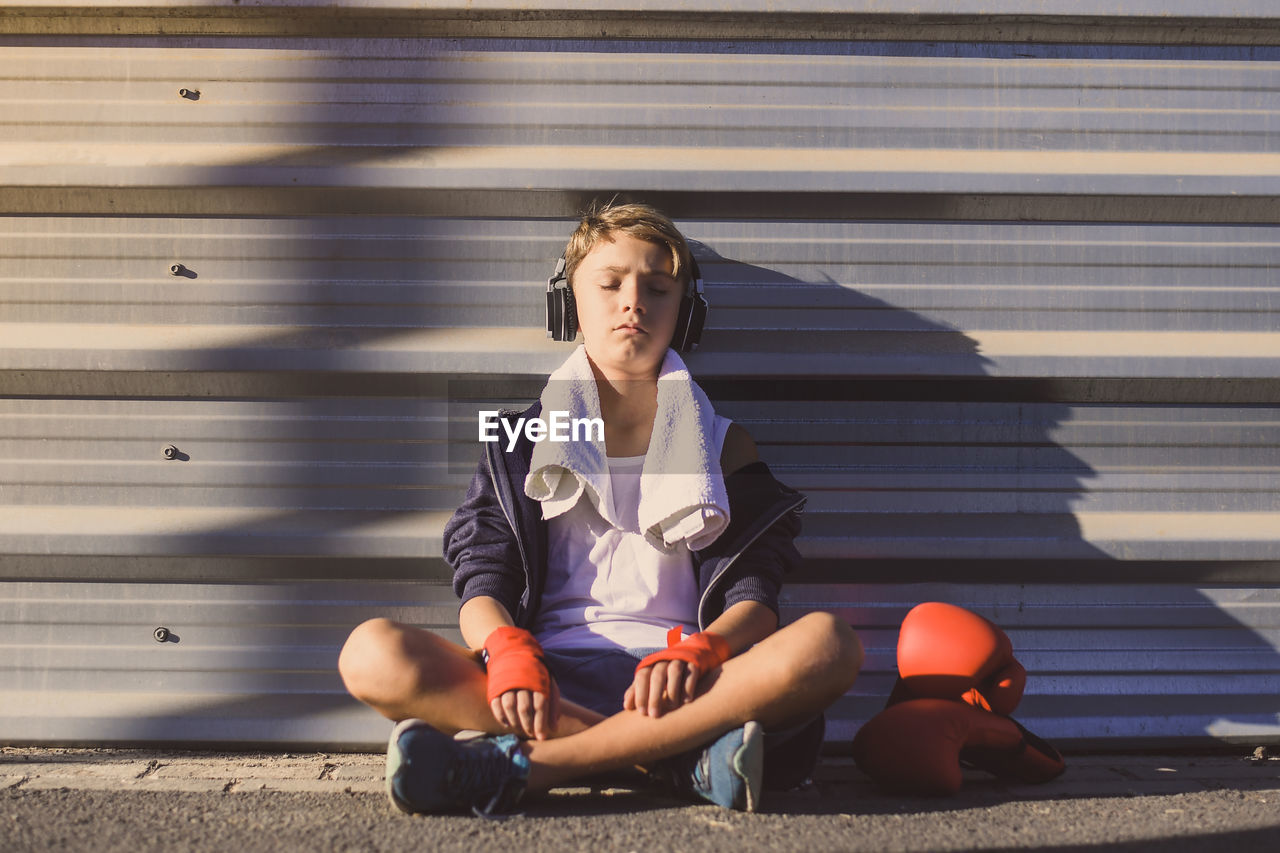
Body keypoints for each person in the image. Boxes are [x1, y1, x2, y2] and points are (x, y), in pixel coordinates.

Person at [337, 201, 863, 817]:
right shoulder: (517, 436)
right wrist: (507, 649)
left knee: (830, 643)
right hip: (542, 681)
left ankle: (522, 767)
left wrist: (701, 653)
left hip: (684, 685)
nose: (633, 302)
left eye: (657, 289)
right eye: (610, 283)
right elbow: (481, 572)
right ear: (569, 307)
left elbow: (755, 591)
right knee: (370, 652)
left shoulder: (726, 443)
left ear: (686, 316)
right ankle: (677, 761)